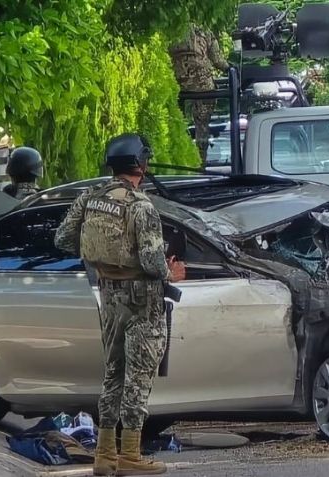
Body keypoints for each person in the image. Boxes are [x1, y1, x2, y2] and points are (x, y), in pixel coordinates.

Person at [54, 133, 185, 476]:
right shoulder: (142, 207)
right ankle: (130, 455)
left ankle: (104, 455)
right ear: (140, 163)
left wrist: (103, 258)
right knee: (137, 379)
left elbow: (63, 238)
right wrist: (172, 273)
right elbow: (154, 262)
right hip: (142, 301)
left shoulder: (90, 198)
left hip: (109, 296)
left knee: (113, 374)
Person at [169, 26, 229, 161]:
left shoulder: (172, 30)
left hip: (178, 84)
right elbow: (218, 60)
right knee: (202, 126)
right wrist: (231, 69)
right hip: (203, 86)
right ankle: (201, 161)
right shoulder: (204, 30)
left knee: (177, 124)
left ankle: (179, 156)